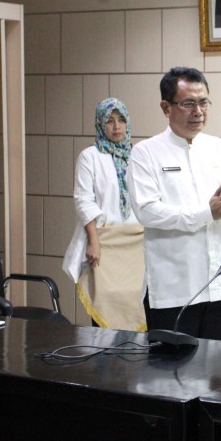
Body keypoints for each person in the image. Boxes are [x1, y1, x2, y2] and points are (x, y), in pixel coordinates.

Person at [127, 67, 221, 341]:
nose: (198, 111)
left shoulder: (219, 148)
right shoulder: (145, 153)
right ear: (166, 107)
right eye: (188, 103)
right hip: (173, 289)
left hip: (218, 284)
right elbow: (147, 211)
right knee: (170, 367)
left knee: (218, 364)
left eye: (204, 102)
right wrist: (207, 213)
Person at [62, 97, 147, 331]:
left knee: (138, 307)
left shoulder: (138, 155)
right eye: (109, 121)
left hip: (136, 245)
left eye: (121, 120)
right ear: (100, 124)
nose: (116, 126)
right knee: (106, 308)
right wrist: (93, 240)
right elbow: (83, 200)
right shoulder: (89, 156)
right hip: (104, 243)